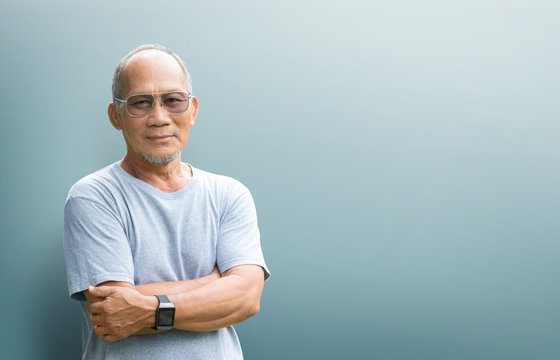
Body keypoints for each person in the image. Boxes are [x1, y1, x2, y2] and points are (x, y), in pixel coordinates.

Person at [63, 44, 270, 359]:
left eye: (173, 101)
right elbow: (113, 312)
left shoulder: (229, 195)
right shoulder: (93, 196)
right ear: (115, 116)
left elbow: (247, 298)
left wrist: (146, 306)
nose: (158, 118)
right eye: (140, 103)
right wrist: (216, 284)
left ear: (193, 110)